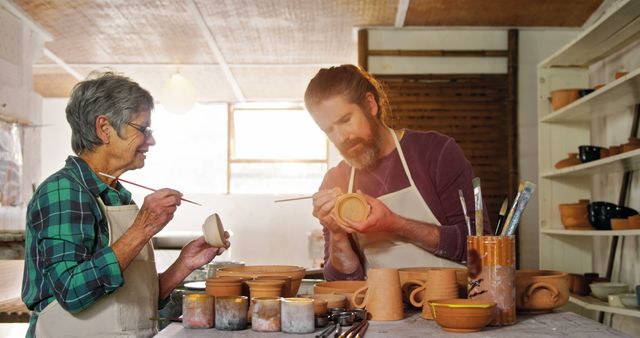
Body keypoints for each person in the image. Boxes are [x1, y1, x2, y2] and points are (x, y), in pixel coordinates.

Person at [21, 73, 229, 337]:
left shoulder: (119, 197)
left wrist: (184, 264)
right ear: (104, 129)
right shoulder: (63, 191)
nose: (151, 141)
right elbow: (71, 292)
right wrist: (142, 228)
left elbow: (132, 304)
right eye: (143, 129)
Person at [304, 65, 490, 281]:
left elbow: (481, 248)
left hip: (450, 308)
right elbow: (340, 282)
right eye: (329, 130)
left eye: (345, 120)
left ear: (370, 104)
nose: (341, 137)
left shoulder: (435, 152)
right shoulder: (335, 181)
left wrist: (395, 224)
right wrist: (337, 234)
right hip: (380, 311)